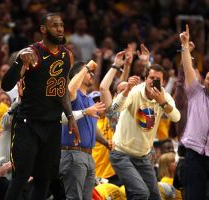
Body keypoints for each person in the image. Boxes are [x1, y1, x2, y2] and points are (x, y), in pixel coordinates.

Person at [1, 13, 79, 200]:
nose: (60, 29)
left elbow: (63, 90)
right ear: (43, 29)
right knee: (20, 176)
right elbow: (6, 85)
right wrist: (19, 61)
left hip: (52, 125)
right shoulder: (32, 53)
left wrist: (70, 116)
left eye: (61, 25)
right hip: (28, 124)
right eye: (54, 25)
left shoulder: (67, 54)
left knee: (44, 179)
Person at [110, 63, 181, 199]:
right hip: (121, 154)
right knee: (141, 193)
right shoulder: (135, 91)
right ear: (145, 78)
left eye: (157, 79)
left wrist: (162, 102)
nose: (152, 81)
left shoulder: (164, 97)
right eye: (150, 77)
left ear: (164, 82)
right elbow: (115, 109)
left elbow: (176, 117)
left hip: (142, 156)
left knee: (155, 196)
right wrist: (126, 90)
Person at [60, 61, 111, 200]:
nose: (92, 74)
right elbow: (70, 89)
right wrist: (86, 67)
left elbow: (92, 127)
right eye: (88, 72)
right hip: (73, 153)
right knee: (73, 197)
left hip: (88, 155)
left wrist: (106, 143)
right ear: (78, 75)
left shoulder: (89, 101)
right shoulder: (73, 95)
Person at [179, 25, 209, 200]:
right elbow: (188, 69)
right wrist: (184, 47)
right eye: (207, 78)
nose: (208, 81)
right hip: (194, 155)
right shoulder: (195, 92)